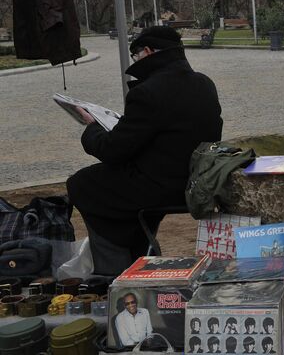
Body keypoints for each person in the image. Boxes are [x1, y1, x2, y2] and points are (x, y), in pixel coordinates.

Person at [66, 26, 223, 276]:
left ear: (148, 52)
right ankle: (136, 250)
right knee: (111, 185)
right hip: (198, 181)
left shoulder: (148, 92)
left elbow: (112, 150)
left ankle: (113, 266)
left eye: (136, 56)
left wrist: (92, 127)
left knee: (82, 184)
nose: (136, 61)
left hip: (160, 187)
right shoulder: (204, 83)